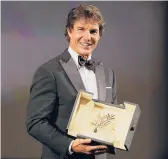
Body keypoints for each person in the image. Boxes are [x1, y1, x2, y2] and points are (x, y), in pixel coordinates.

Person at [27, 4, 117, 159]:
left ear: (99, 35)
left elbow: (112, 118)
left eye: (93, 31)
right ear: (69, 31)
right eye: (81, 29)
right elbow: (35, 123)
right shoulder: (49, 71)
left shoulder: (108, 74)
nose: (87, 37)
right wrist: (69, 145)